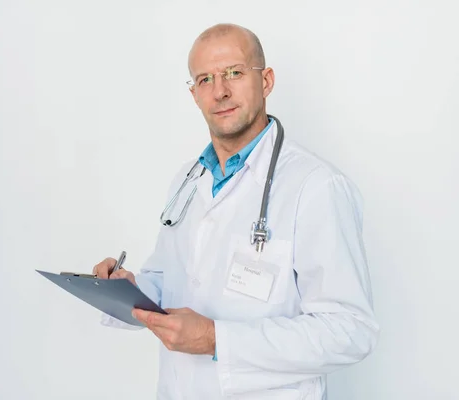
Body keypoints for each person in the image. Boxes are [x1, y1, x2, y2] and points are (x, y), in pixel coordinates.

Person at [92, 22, 379, 400]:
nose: (220, 91)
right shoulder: (188, 180)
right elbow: (168, 280)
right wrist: (128, 292)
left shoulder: (316, 186)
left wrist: (217, 339)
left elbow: (349, 331)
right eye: (205, 79)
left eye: (234, 73)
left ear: (266, 81)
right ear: (194, 94)